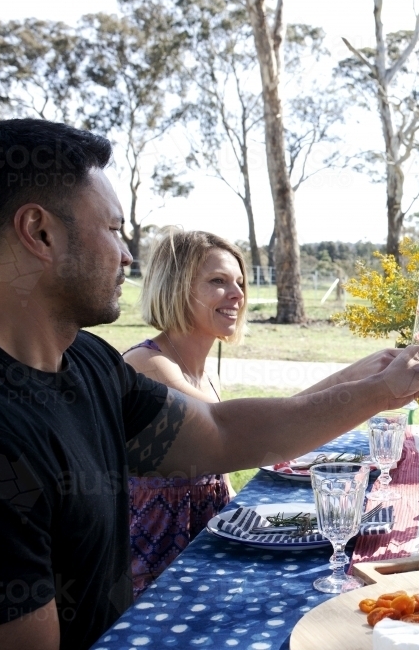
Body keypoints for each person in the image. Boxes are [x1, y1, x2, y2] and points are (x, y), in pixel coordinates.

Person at [0, 119, 419, 650]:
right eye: (114, 230)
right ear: (40, 232)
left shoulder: (90, 363)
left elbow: (219, 431)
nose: (127, 256)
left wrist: (382, 388)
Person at [122, 228, 246, 598]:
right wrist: (364, 385)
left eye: (239, 282)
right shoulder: (149, 366)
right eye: (218, 281)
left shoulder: (207, 375)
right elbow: (234, 435)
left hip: (205, 562)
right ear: (176, 288)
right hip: (155, 580)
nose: (237, 294)